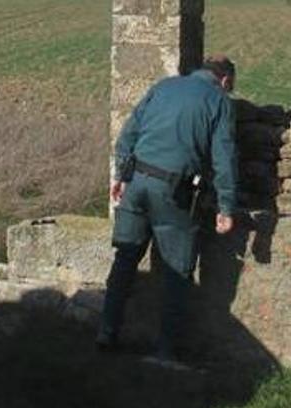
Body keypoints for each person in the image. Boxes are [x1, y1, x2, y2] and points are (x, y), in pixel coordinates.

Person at [97, 55, 239, 362]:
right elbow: (224, 159)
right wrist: (226, 206)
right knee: (178, 270)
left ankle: (106, 332)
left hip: (136, 183)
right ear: (225, 81)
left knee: (125, 257)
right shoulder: (218, 102)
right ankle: (165, 352)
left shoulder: (164, 86)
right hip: (173, 192)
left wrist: (121, 176)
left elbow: (128, 133)